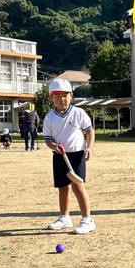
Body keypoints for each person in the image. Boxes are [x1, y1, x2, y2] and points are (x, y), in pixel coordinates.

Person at [43, 78, 96, 234]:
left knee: (78, 186)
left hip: (77, 155)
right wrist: (54, 146)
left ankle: (87, 220)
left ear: (71, 96)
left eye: (65, 95)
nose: (62, 99)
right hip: (59, 156)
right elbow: (47, 139)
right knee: (62, 188)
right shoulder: (49, 118)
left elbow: (89, 131)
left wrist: (89, 147)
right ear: (52, 97)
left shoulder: (79, 113)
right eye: (57, 96)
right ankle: (64, 217)